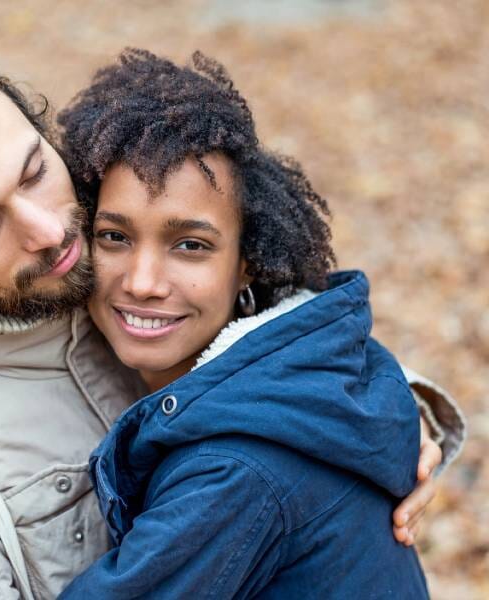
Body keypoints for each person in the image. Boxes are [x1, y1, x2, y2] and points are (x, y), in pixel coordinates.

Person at [0, 46, 464, 599]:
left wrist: (384, 416)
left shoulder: (103, 257)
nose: (48, 229)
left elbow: (268, 312)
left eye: (35, 170)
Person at [56, 49, 441, 598]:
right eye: (115, 236)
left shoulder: (233, 475)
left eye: (190, 245)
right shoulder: (315, 368)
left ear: (247, 265)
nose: (142, 281)